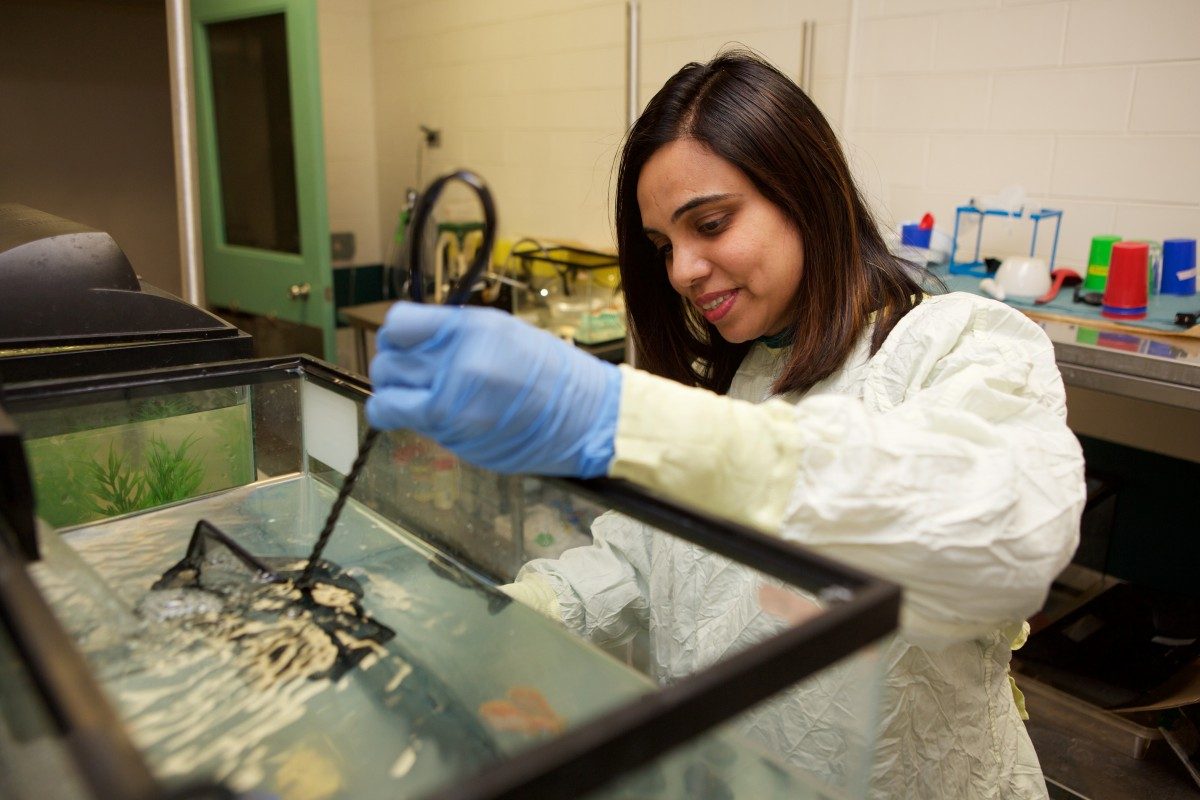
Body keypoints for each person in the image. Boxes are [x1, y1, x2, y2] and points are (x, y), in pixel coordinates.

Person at [367, 51, 1084, 799]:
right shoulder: (745, 373)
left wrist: (620, 418)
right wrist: (512, 615)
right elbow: (651, 563)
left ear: (806, 193)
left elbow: (1006, 539)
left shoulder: (957, 343)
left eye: (710, 224)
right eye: (663, 246)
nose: (681, 270)